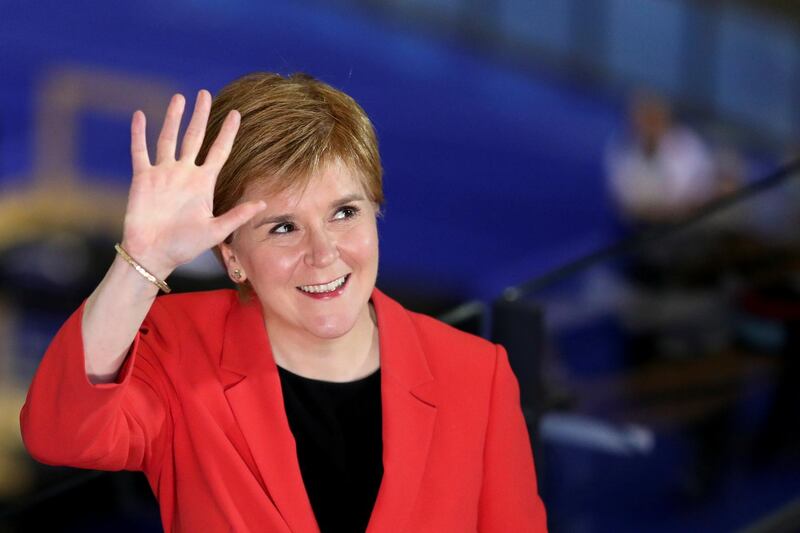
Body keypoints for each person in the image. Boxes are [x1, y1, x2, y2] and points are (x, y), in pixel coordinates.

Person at [19, 73, 547, 532]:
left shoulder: (477, 374)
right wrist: (143, 261)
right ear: (233, 256)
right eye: (283, 227)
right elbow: (62, 435)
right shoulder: (181, 350)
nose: (323, 253)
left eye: (344, 213)